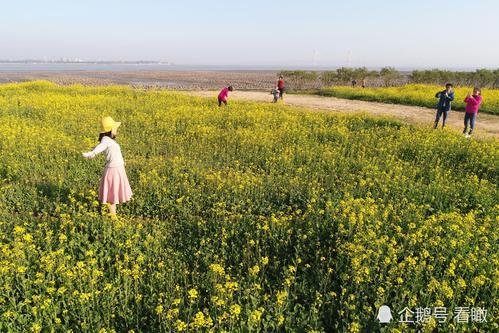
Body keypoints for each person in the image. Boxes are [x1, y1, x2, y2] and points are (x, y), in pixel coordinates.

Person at [82, 116, 133, 218]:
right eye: (115, 128)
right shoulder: (106, 140)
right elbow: (100, 147)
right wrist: (92, 153)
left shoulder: (109, 140)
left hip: (118, 169)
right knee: (111, 195)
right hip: (113, 170)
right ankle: (113, 217)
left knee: (114, 193)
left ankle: (113, 215)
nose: (116, 130)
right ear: (110, 129)